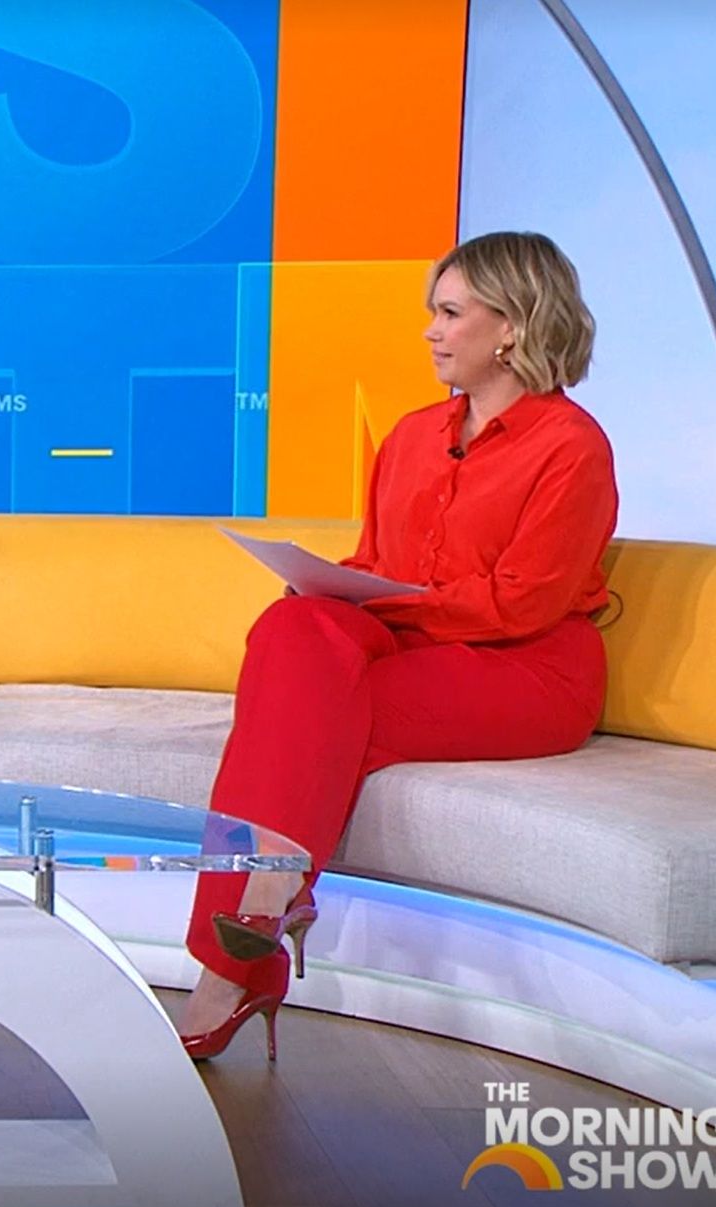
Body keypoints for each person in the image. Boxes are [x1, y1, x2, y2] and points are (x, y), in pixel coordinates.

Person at [174, 230, 617, 1061]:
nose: (430, 331)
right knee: (290, 627)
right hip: (413, 641)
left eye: (449, 313)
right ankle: (259, 918)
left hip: (526, 671)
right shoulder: (412, 435)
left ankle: (234, 954)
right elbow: (377, 563)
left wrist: (391, 607)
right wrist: (330, 587)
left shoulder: (570, 446)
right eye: (432, 313)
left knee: (304, 714)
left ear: (512, 325)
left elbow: (521, 604)